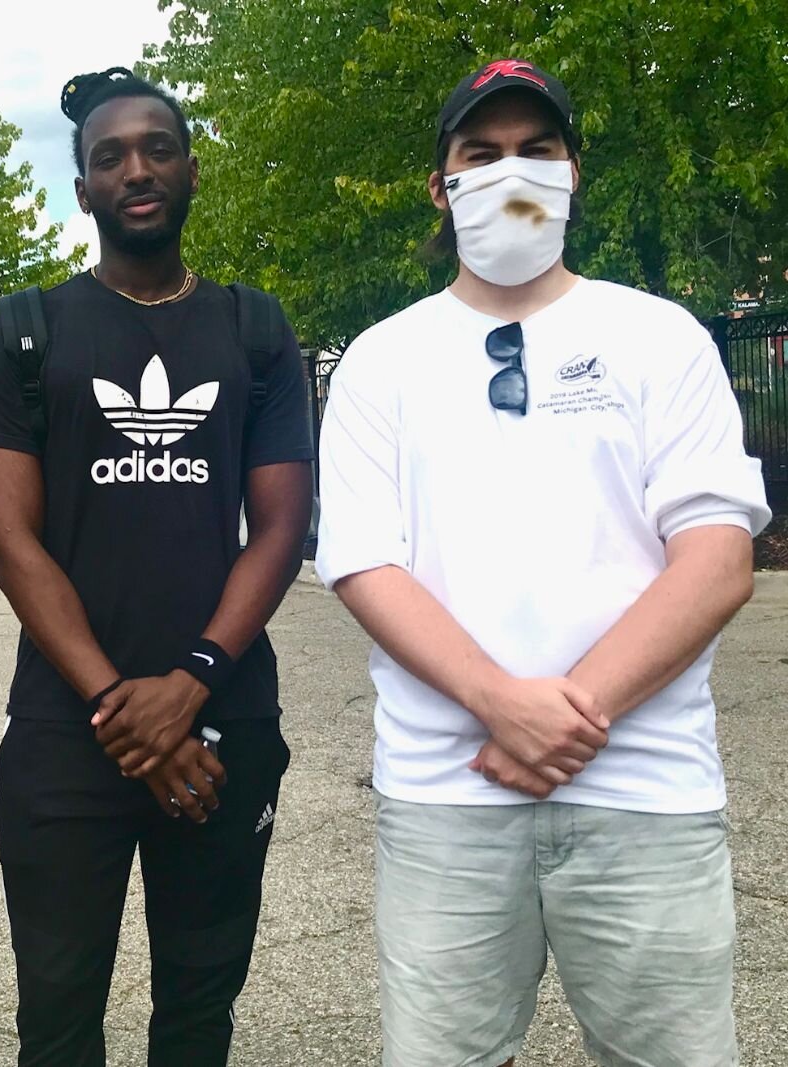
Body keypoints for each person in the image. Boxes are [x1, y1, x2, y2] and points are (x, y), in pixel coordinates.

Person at [317, 59, 771, 1067]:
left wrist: (563, 713)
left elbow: (718, 554)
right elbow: (363, 562)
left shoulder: (659, 338)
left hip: (644, 792)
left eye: (536, 149)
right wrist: (498, 701)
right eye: (480, 154)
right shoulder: (380, 360)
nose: (510, 172)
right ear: (440, 186)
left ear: (574, 171)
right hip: (447, 797)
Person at [0, 68, 314, 1067]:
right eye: (108, 157)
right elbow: (7, 539)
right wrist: (125, 705)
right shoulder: (27, 329)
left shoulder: (255, 328)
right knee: (59, 1020)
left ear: (193, 170)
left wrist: (195, 677)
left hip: (226, 717)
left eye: (157, 147)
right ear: (82, 190)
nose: (136, 168)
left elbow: (281, 528)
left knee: (199, 1016)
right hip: (69, 736)